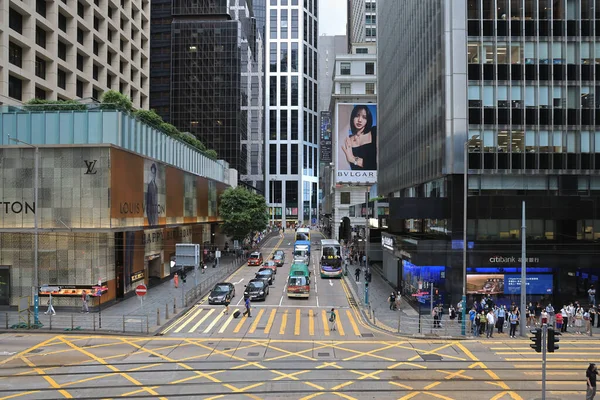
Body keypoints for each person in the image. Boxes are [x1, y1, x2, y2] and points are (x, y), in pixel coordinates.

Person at [341, 105, 378, 171]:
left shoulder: (375, 131)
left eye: (364, 117)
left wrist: (352, 158)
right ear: (352, 118)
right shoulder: (348, 140)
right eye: (357, 116)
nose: (360, 120)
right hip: (357, 179)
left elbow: (377, 164)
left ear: (368, 120)